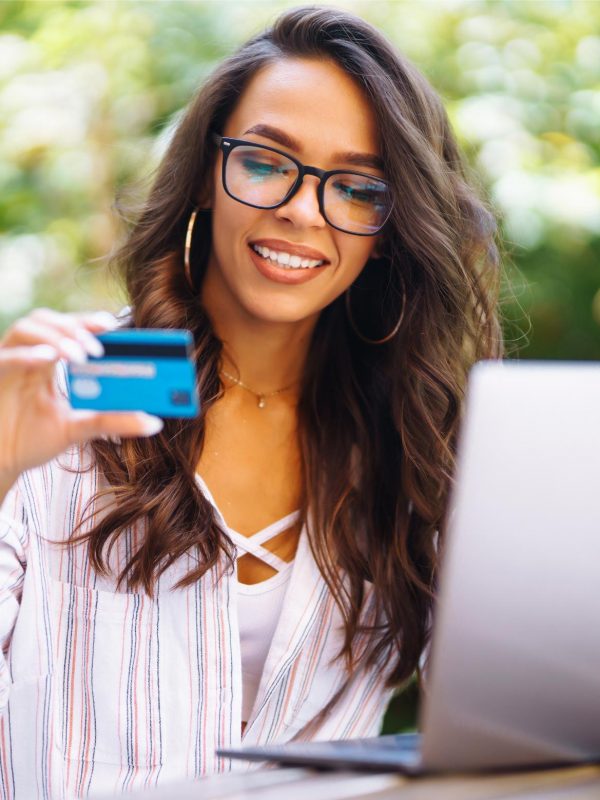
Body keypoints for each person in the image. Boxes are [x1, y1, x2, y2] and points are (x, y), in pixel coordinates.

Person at [0, 6, 502, 798]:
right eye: (268, 162)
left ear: (389, 226)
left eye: (357, 186)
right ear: (207, 169)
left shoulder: (414, 445)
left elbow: (519, 714)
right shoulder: (61, 395)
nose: (303, 209)